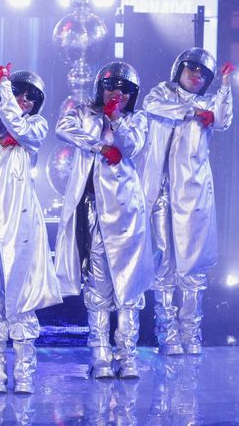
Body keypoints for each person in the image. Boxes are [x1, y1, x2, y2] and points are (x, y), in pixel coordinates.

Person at [0, 65, 62, 393]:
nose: (25, 101)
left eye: (33, 98)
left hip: (20, 221)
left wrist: (3, 86)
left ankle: (25, 373)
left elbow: (21, 129)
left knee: (20, 296)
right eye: (20, 94)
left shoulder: (35, 126)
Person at [54, 62, 153, 379]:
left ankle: (128, 357)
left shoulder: (137, 119)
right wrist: (98, 143)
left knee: (129, 288)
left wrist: (116, 118)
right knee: (98, 287)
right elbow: (62, 128)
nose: (118, 93)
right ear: (100, 86)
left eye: (125, 89)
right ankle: (100, 357)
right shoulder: (83, 112)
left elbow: (131, 146)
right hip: (94, 211)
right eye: (112, 86)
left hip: (127, 215)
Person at [139, 49, 234, 355]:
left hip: (193, 197)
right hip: (161, 194)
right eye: (192, 69)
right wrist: (193, 112)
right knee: (163, 263)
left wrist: (225, 85)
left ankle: (191, 332)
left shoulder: (208, 102)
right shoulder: (162, 94)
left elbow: (223, 120)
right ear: (178, 68)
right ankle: (167, 335)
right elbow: (153, 106)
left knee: (192, 267)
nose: (196, 76)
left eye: (203, 74)